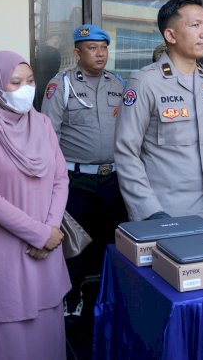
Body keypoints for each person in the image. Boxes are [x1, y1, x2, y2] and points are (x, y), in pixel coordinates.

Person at [0, 51, 70, 360]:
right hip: (5, 252)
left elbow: (60, 179)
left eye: (30, 80)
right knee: (8, 340)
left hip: (46, 247)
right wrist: (39, 234)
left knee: (47, 337)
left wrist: (51, 229)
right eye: (15, 82)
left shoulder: (43, 124)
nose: (26, 88)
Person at [114, 0, 203, 222]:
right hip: (168, 213)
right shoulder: (145, 82)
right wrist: (150, 212)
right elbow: (126, 153)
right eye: (195, 26)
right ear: (170, 35)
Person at [40, 24, 127, 343]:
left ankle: (112, 298)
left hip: (114, 178)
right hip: (75, 180)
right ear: (77, 53)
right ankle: (72, 300)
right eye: (92, 47)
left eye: (104, 46)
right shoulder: (60, 85)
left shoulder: (118, 83)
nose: (100, 52)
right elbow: (49, 138)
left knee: (115, 243)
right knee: (74, 246)